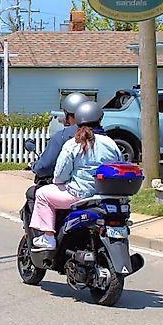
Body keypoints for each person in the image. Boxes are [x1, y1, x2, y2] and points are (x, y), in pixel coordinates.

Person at [30, 101, 123, 251]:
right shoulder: (111, 144)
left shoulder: (73, 143)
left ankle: (48, 237)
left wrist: (59, 182)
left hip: (78, 196)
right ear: (100, 119)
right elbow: (120, 165)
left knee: (41, 194)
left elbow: (60, 175)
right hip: (104, 197)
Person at [30, 92, 90, 178]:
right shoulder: (105, 138)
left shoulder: (62, 136)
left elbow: (45, 167)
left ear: (67, 114)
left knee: (32, 191)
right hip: (101, 186)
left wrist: (34, 166)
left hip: (74, 186)